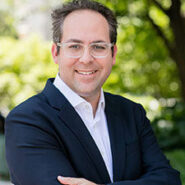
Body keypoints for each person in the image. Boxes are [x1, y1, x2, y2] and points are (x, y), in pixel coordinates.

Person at [5, 0, 181, 185]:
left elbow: (169, 180)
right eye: (74, 46)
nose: (86, 58)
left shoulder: (131, 113)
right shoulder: (27, 120)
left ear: (113, 54)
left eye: (98, 46)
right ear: (55, 52)